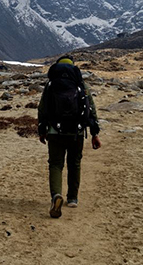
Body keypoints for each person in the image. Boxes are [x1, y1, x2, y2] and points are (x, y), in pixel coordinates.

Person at [37, 55, 102, 218]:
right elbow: (90, 109)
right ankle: (72, 198)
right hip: (76, 132)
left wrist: (42, 130)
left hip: (54, 131)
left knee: (56, 164)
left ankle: (56, 195)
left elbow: (42, 108)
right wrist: (95, 133)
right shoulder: (80, 85)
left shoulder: (51, 85)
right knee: (75, 163)